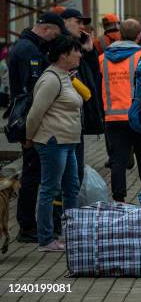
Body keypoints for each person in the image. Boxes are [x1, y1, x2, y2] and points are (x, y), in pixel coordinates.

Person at [9, 13, 65, 243]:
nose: (55, 39)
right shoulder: (30, 51)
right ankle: (27, 227)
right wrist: (28, 131)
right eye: (55, 34)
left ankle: (29, 225)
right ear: (46, 28)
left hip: (28, 120)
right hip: (30, 121)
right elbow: (31, 92)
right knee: (33, 174)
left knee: (34, 173)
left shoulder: (24, 46)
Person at [25, 35, 83, 252]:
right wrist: (29, 138)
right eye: (76, 51)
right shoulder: (51, 79)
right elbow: (35, 113)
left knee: (71, 188)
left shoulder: (64, 75)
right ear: (63, 55)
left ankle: (70, 234)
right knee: (50, 189)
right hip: (53, 141)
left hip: (67, 141)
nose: (79, 54)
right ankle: (46, 239)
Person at [99, 19, 141, 202]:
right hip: (139, 117)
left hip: (113, 119)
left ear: (120, 34)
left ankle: (118, 201)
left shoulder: (102, 59)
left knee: (118, 161)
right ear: (139, 36)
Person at [61, 8, 105, 183]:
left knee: (75, 173)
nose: (82, 26)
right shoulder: (59, 47)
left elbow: (93, 78)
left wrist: (89, 51)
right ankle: (62, 210)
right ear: (64, 22)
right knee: (67, 176)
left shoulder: (79, 47)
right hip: (63, 123)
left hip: (77, 120)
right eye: (77, 22)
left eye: (83, 23)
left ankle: (70, 209)